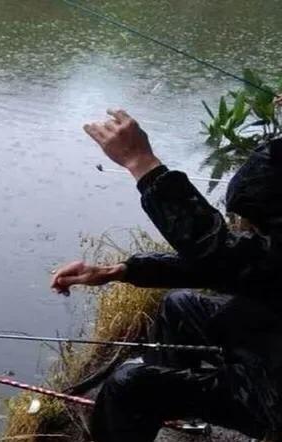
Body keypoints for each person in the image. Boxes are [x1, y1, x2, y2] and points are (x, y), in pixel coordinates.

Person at [50, 108, 282, 442]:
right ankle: (176, 410)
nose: (249, 226)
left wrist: (141, 163)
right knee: (179, 305)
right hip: (268, 329)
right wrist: (121, 270)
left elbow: (218, 251)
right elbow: (248, 260)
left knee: (128, 386)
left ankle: (159, 400)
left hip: (272, 389)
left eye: (256, 222)